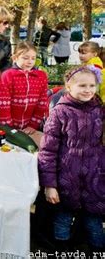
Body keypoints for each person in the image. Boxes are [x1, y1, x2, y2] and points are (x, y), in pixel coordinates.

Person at [38, 65, 104, 251]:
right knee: (63, 219)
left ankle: (97, 250)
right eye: (82, 85)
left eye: (92, 85)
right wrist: (50, 185)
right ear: (69, 87)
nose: (88, 90)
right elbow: (47, 152)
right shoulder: (60, 113)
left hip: (95, 178)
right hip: (67, 179)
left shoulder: (99, 109)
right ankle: (62, 249)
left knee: (94, 221)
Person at [0, 41, 48, 134]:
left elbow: (42, 102)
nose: (30, 61)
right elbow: (2, 105)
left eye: (33, 58)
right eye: (25, 58)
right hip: (10, 129)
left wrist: (33, 125)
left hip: (30, 127)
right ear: (15, 58)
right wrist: (9, 129)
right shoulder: (7, 75)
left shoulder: (41, 76)